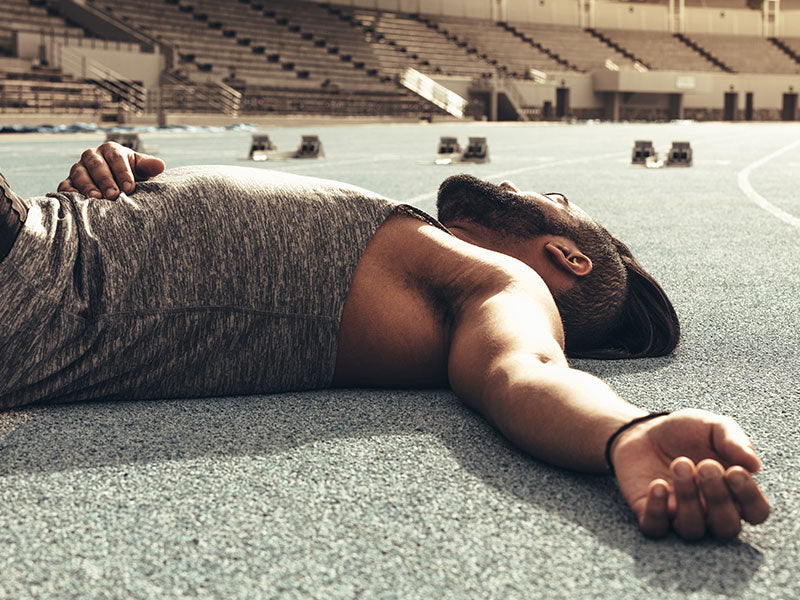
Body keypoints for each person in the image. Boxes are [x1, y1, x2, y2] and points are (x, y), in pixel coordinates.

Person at [0, 142, 769, 541]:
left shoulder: (507, 287)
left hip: (25, 279)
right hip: (39, 237)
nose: (525, 187)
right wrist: (108, 188)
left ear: (565, 257)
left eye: (556, 201)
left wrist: (626, 430)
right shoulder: (416, 245)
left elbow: (525, 371)